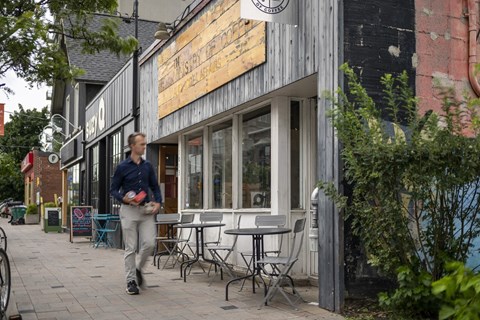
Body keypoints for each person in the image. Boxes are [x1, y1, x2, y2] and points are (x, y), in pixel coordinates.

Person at [110, 132, 162, 295]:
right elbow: (113, 189)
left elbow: (155, 186)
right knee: (131, 247)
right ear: (132, 146)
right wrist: (124, 199)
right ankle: (131, 280)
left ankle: (138, 269)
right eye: (141, 144)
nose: (144, 146)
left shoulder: (147, 166)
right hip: (129, 211)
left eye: (145, 144)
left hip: (145, 210)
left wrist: (158, 202)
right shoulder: (122, 167)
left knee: (150, 243)